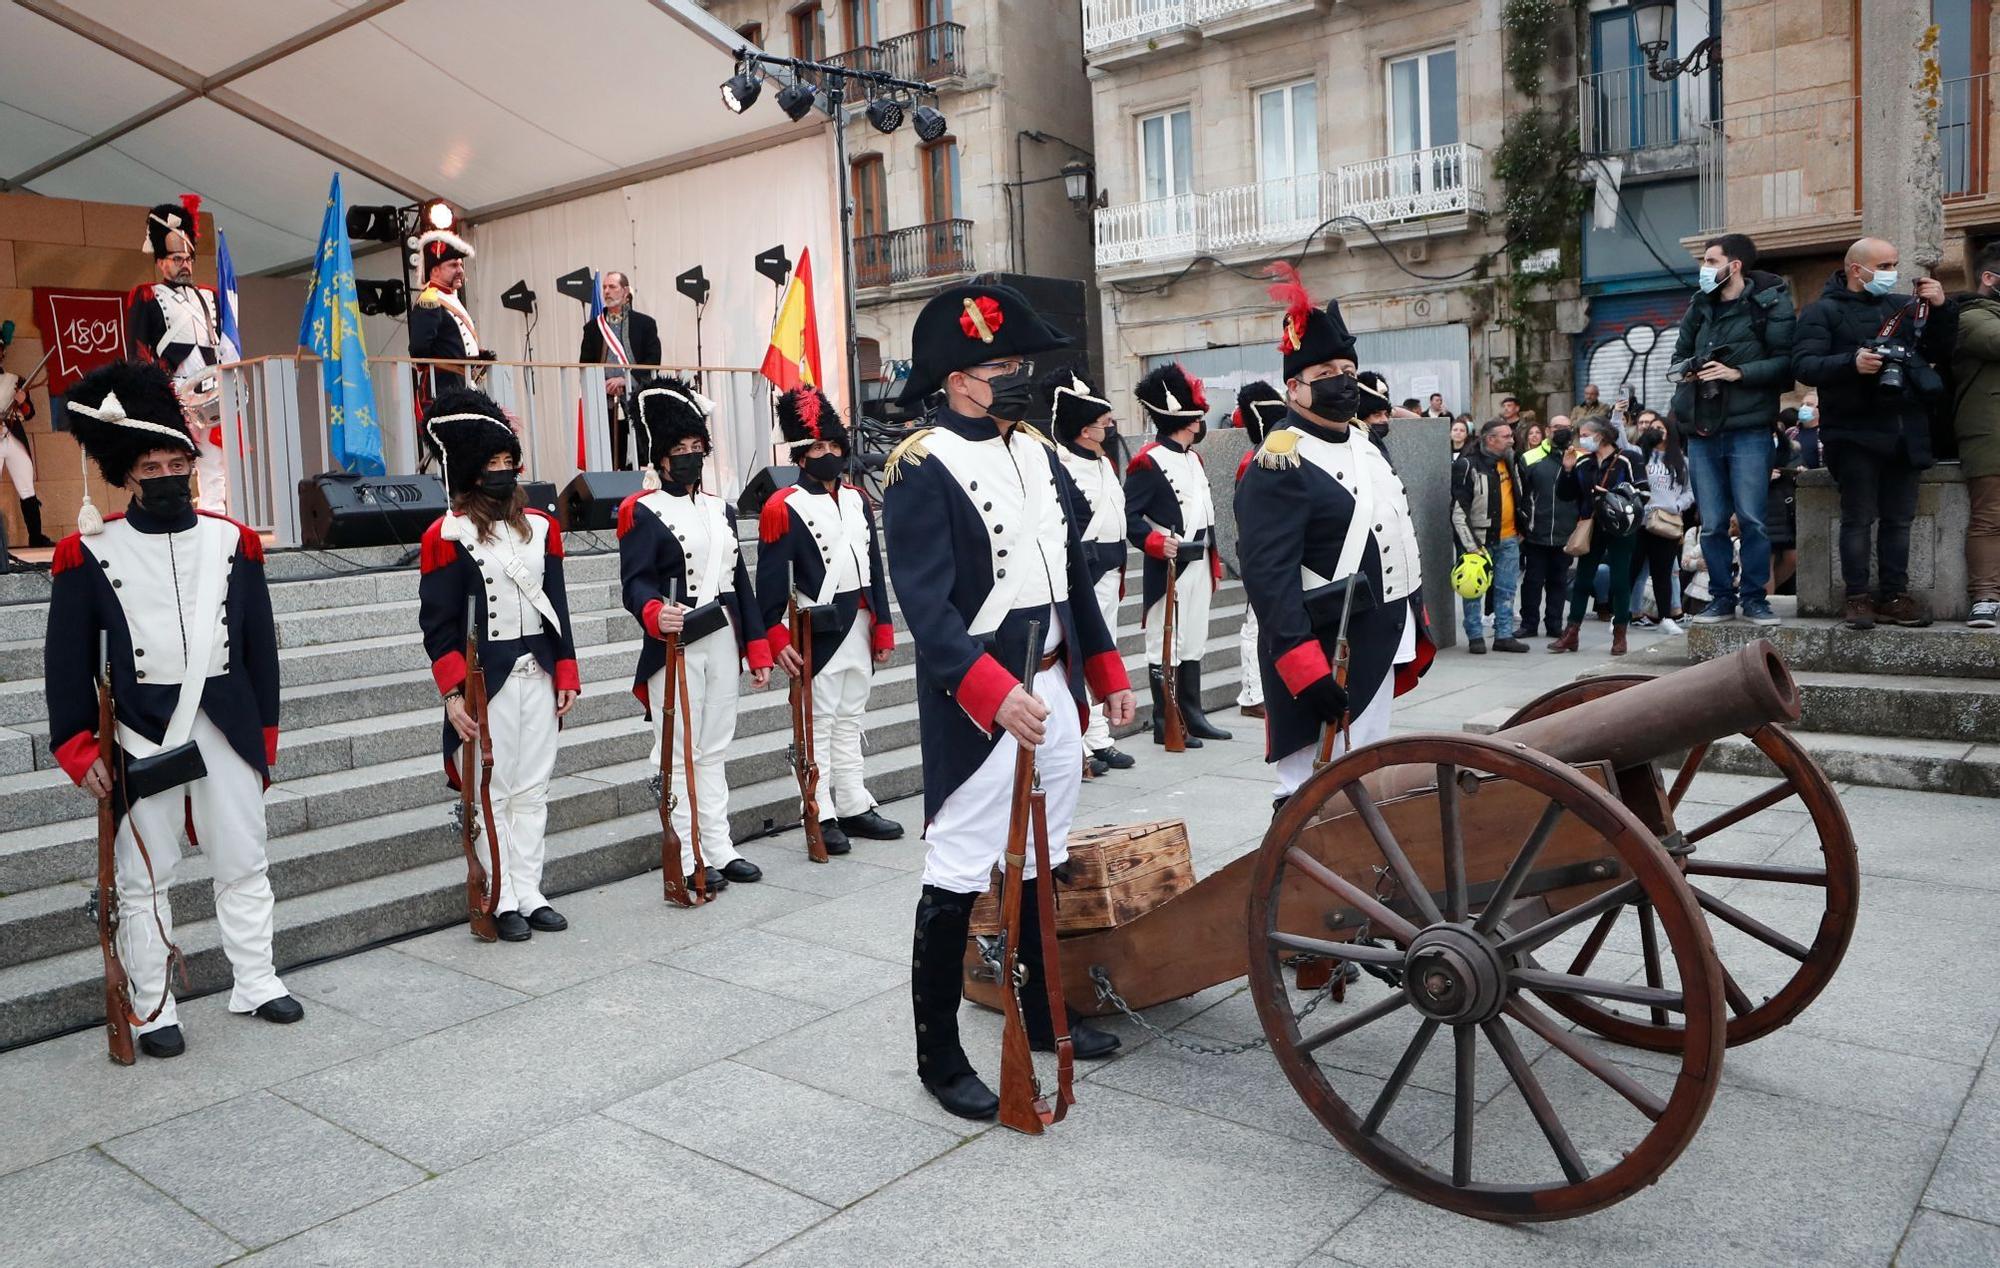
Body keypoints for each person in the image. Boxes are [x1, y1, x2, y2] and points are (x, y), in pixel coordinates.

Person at [883, 283, 1135, 1120]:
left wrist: (1105, 673)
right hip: (982, 697)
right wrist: (994, 696)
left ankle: (1038, 1010)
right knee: (958, 868)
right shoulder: (922, 466)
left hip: (1055, 680)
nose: (1022, 377)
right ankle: (939, 1054)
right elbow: (928, 610)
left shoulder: (1036, 450)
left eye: (1022, 362)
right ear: (959, 380)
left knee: (1040, 858)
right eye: (1003, 366)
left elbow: (1070, 577)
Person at [44, 359, 301, 1059]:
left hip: (227, 724)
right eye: (148, 464)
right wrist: (79, 751)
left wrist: (264, 740)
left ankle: (255, 979)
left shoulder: (233, 541)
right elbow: (66, 664)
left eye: (174, 461)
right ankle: (153, 1008)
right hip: (136, 733)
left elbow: (259, 650)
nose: (163, 474)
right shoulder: (84, 552)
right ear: (125, 475)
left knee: (245, 860)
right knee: (143, 877)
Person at [1236, 265, 1433, 807]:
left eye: (1348, 368)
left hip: (1382, 636)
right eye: (1326, 370)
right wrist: (1305, 670)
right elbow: (1268, 580)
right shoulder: (1278, 460)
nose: (1343, 380)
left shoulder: (1366, 443)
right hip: (1326, 649)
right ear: (1294, 386)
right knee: (1309, 794)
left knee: (1362, 777)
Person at [417, 388, 579, 942]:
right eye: (492, 465)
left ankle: (530, 890)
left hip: (539, 666)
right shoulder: (445, 535)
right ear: (469, 472)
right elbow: (437, 627)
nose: (503, 473)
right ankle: (501, 893)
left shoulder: (541, 525)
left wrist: (567, 671)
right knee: (492, 790)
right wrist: (453, 693)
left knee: (533, 786)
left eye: (509, 462)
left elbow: (556, 601)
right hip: (486, 678)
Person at [618, 378, 772, 891]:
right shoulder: (641, 510)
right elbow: (635, 581)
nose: (688, 457)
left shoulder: (721, 508)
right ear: (660, 459)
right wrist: (653, 610)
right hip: (676, 639)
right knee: (679, 749)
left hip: (723, 634)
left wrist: (758, 647)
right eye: (678, 450)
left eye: (694, 448)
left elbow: (738, 579)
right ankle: (684, 851)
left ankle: (719, 844)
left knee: (714, 746)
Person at [755, 386, 903, 853]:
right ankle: (820, 809)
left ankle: (856, 802)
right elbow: (770, 588)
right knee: (817, 723)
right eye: (817, 448)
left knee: (851, 717)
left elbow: (873, 566)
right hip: (816, 628)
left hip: (858, 622)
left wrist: (882, 622)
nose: (828, 455)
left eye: (833, 446)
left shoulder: (858, 499)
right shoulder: (783, 506)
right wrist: (776, 638)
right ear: (801, 456)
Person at [1793, 236, 1957, 629]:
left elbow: (1940, 349)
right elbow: (1804, 364)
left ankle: (1894, 595)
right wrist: (1852, 363)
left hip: (1906, 428)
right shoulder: (1822, 311)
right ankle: (1858, 597)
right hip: (1853, 433)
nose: (1891, 274)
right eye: (1884, 267)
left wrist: (1941, 307)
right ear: (1856, 270)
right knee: (1858, 518)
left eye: (1893, 266)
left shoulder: (1902, 305)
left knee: (1900, 520)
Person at [1670, 233, 1795, 628]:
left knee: (1752, 519)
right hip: (1702, 426)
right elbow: (1677, 357)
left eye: (1710, 260)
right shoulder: (1699, 306)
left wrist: (1736, 372)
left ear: (1734, 265)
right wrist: (1692, 368)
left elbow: (1786, 364)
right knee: (1712, 521)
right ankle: (1720, 599)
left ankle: (1756, 599)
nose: (1703, 268)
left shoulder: (1771, 303)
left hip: (1749, 428)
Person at [1125, 362, 1230, 746]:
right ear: (1186, 421)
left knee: (1194, 638)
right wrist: (1154, 543)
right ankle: (1163, 718)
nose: (1201, 423)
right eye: (1198, 417)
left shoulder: (1193, 459)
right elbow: (1129, 516)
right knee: (1164, 641)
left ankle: (1192, 712)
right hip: (1168, 563)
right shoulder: (1147, 461)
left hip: (1200, 558)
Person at [1048, 370, 1139, 764]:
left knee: (1106, 651)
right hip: (1086, 573)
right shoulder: (1062, 465)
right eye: (1104, 424)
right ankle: (1085, 740)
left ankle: (1099, 738)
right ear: (1085, 430)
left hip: (1111, 571)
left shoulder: (1102, 464)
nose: (1110, 429)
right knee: (1082, 655)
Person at [126, 196, 228, 514]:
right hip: (173, 392)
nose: (184, 264)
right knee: (175, 459)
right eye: (176, 258)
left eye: (188, 258)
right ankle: (179, 513)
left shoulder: (210, 295)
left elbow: (222, 342)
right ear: (161, 262)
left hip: (211, 389)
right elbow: (139, 349)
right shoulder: (146, 294)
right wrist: (155, 393)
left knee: (215, 462)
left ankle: (216, 515)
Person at [1550, 416, 1641, 655]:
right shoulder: (1584, 462)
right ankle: (1571, 633)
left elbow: (1642, 492)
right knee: (1582, 579)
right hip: (1591, 526)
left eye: (1586, 434)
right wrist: (1567, 469)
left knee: (1620, 580)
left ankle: (1620, 634)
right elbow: (1565, 495)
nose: (1582, 439)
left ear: (1601, 435)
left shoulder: (1627, 459)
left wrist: (1613, 496)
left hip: (1621, 526)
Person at [1229, 382, 1289, 721]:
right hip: (1261, 554)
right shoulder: (1251, 461)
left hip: (1279, 551)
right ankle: (1252, 693)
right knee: (1255, 624)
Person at [1951, 241, 2000, 629]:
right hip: (1989, 434)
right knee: (1989, 519)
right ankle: (1985, 597)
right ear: (1989, 278)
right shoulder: (1970, 317)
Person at [1450, 419, 1527, 653]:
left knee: (1507, 590)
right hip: (1477, 543)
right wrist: (1470, 545)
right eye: (1506, 436)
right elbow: (1457, 510)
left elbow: (1522, 494)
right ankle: (1475, 636)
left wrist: (1523, 527)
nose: (1511, 440)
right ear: (1490, 439)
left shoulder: (1512, 461)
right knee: (1473, 591)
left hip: (1509, 538)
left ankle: (1504, 635)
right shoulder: (1466, 465)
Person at [580, 271, 663, 471]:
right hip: (605, 401)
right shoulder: (593, 328)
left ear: (625, 291)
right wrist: (602, 385)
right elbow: (585, 364)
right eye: (605, 287)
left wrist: (626, 380)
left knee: (642, 458)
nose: (607, 292)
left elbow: (653, 360)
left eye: (612, 287)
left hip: (637, 399)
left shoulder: (645, 324)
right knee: (608, 459)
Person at [1629, 414, 1694, 634]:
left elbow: (1690, 493)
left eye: (1661, 428)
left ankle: (1666, 616)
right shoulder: (1639, 455)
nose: (1656, 430)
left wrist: (1676, 506)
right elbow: (1619, 442)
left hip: (1666, 522)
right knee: (1632, 570)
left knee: (1663, 573)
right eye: (1652, 427)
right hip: (1641, 522)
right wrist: (1619, 413)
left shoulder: (1681, 461)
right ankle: (1620, 615)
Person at [408, 228, 488, 401]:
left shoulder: (449, 296)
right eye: (453, 265)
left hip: (460, 382)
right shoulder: (430, 298)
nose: (460, 269)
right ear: (435, 271)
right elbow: (419, 348)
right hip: (443, 384)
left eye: (460, 264)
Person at [1518, 415, 1579, 639]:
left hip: (1566, 532)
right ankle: (1528, 624)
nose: (1561, 431)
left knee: (1558, 581)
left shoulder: (1579, 457)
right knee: (1532, 581)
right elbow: (1522, 495)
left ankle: (1555, 625)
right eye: (1556, 427)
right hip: (1536, 531)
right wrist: (1523, 525)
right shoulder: (1530, 457)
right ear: (1547, 430)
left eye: (1565, 427)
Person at [0, 331, 51, 547]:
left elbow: (29, 413)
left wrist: (21, 401)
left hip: (12, 434)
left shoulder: (15, 380)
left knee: (26, 488)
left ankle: (36, 538)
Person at [1767, 419, 1804, 597]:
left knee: (1792, 558)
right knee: (1766, 561)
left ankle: (1769, 595)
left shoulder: (1791, 450)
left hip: (1787, 509)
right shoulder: (1750, 450)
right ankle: (1767, 599)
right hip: (1765, 509)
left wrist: (1801, 474)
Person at [1795, 390, 1824, 468]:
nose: (1803, 408)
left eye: (1809, 405)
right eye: (1802, 405)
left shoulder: (1824, 434)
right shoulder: (1791, 432)